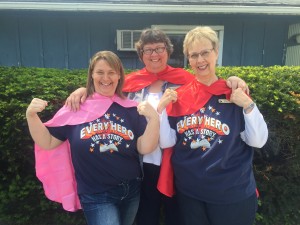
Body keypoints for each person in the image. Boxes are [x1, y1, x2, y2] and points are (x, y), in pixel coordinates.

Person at [65, 28, 249, 225]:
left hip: (178, 164)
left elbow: (210, 84)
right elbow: (105, 90)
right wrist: (84, 89)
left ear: (168, 52)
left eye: (159, 48)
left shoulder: (185, 80)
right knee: (146, 218)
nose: (154, 54)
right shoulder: (129, 83)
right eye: (148, 50)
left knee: (177, 218)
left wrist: (234, 81)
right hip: (142, 165)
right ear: (141, 55)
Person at [26, 51, 160, 225]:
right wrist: (31, 116)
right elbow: (48, 142)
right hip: (96, 194)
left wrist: (154, 120)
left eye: (111, 72)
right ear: (91, 75)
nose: (106, 77)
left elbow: (144, 147)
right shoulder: (76, 107)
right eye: (100, 72)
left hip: (131, 189)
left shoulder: (130, 109)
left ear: (119, 75)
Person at [158, 26, 268, 225]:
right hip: (190, 194)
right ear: (188, 59)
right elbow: (167, 142)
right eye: (194, 55)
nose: (200, 60)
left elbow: (258, 141)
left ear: (216, 52)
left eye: (205, 52)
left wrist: (249, 105)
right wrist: (160, 111)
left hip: (232, 194)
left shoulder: (233, 92)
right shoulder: (179, 96)